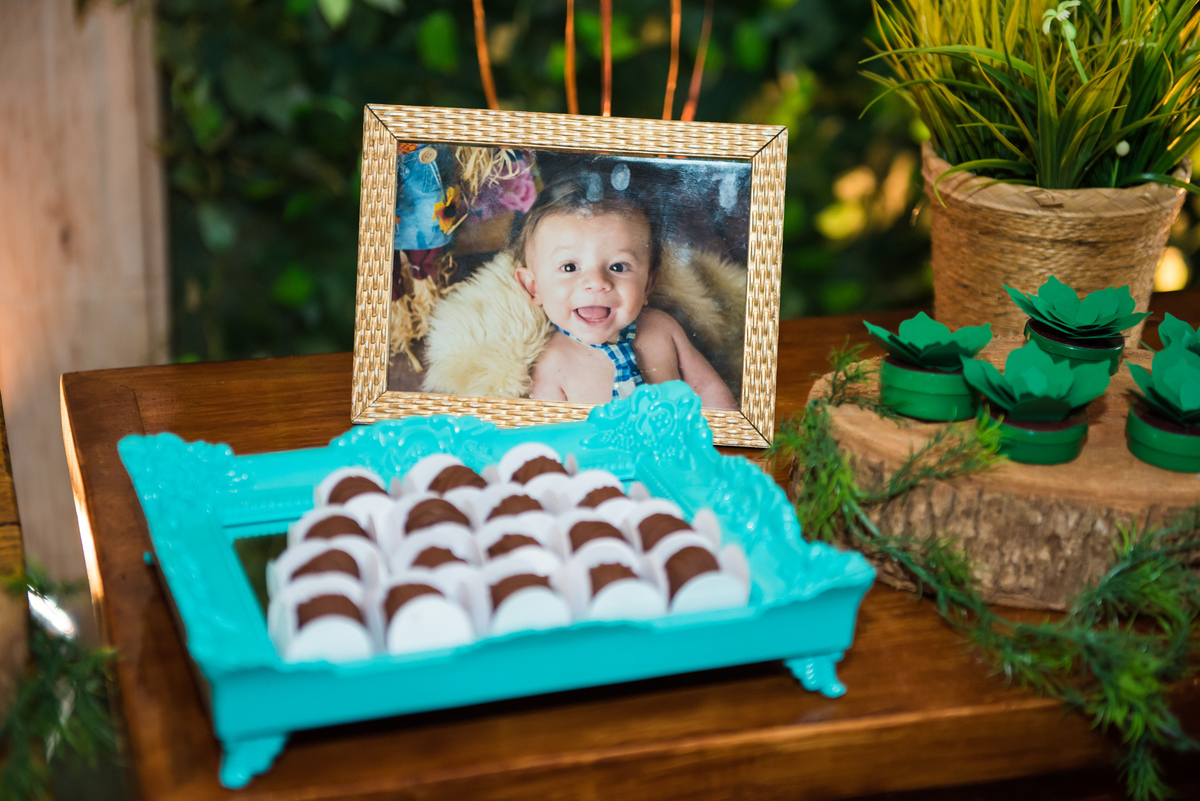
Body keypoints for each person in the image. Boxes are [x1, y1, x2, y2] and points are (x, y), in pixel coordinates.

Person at [513, 179, 737, 409]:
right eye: (569, 267)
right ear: (534, 287)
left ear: (648, 285)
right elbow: (552, 436)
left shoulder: (662, 329)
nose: (597, 282)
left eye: (618, 267)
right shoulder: (551, 362)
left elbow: (707, 388)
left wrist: (726, 437)